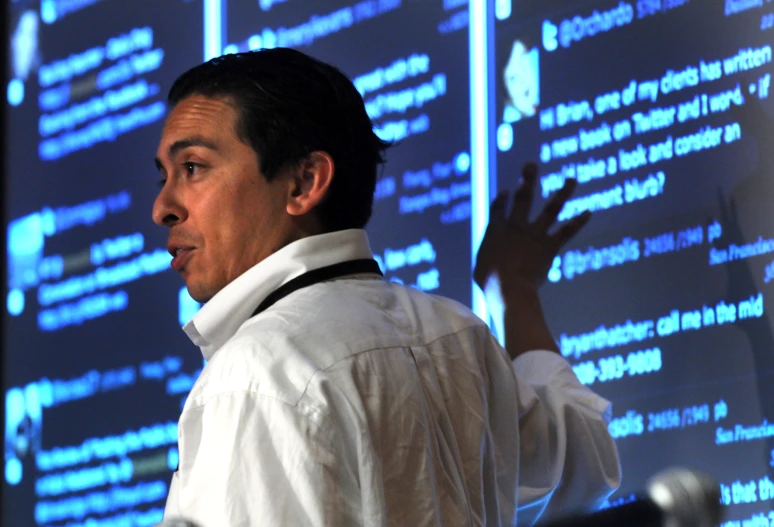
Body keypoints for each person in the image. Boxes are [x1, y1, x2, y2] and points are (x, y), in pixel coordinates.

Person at [153, 48, 620, 526]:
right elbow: (588, 464)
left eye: (192, 167)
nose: (163, 207)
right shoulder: (459, 335)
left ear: (304, 182)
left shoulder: (255, 374)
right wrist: (516, 290)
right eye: (165, 175)